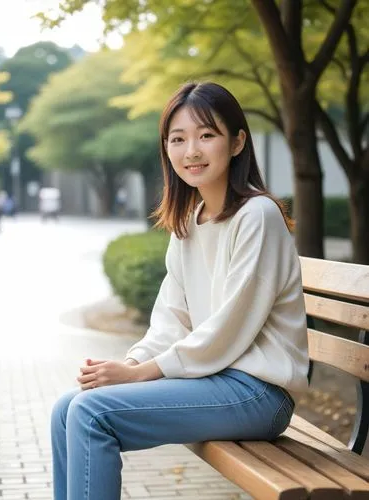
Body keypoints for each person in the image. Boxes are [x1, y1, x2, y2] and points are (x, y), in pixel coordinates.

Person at [51, 82, 309, 500]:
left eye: (207, 135)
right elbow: (172, 319)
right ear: (167, 149)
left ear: (238, 141)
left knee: (92, 413)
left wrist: (140, 375)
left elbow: (230, 328)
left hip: (260, 392)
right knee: (68, 407)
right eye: (178, 139)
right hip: (217, 379)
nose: (191, 150)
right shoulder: (189, 220)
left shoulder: (257, 216)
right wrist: (129, 363)